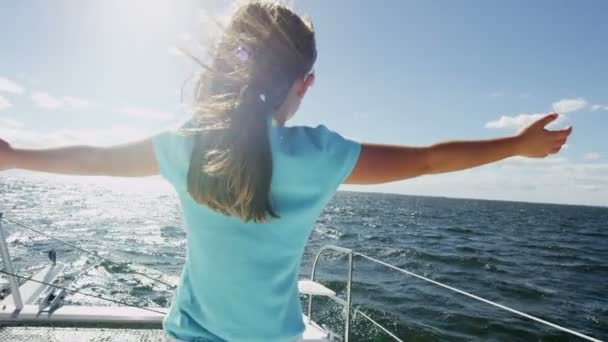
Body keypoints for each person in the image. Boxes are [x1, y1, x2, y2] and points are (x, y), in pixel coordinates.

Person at [0, 1, 571, 341]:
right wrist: (516, 146)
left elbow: (89, 160)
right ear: (305, 83)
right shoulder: (320, 155)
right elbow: (425, 160)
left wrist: (12, 155)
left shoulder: (185, 148)